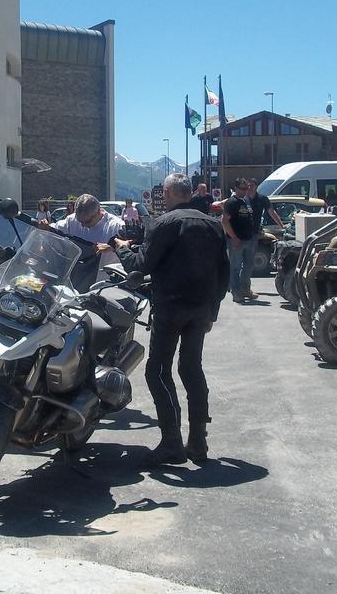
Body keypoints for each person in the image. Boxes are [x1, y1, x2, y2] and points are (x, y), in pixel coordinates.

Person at [114, 173, 228, 465]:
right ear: (189, 193)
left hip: (171, 307)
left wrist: (122, 250)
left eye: (162, 194)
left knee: (157, 371)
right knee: (192, 369)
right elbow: (224, 273)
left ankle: (172, 442)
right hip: (202, 308)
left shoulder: (163, 223)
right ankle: (198, 441)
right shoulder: (214, 225)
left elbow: (142, 265)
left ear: (168, 193)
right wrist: (212, 310)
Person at [223, 178, 255, 303]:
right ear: (236, 189)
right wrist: (234, 238)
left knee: (248, 266)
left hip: (249, 238)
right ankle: (236, 292)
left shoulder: (246, 201)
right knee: (235, 267)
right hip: (236, 240)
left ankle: (245, 289)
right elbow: (225, 221)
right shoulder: (231, 202)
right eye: (242, 189)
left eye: (246, 188)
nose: (244, 191)